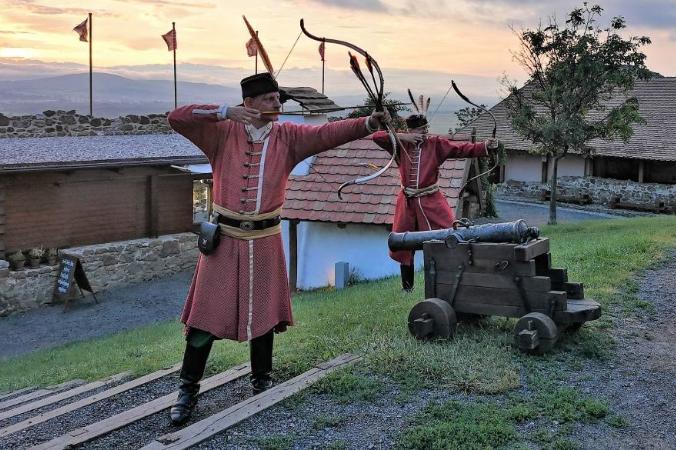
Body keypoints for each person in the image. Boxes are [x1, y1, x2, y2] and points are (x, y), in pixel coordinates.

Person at [166, 72, 389, 425]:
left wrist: (366, 123)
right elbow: (176, 117)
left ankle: (261, 379)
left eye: (278, 99)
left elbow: (326, 133)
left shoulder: (289, 135)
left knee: (265, 315)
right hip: (225, 239)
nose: (278, 105)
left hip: (265, 238)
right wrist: (225, 111)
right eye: (270, 99)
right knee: (204, 319)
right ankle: (187, 390)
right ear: (249, 103)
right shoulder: (221, 131)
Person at [372, 98, 498, 291]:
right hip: (406, 202)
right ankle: (407, 288)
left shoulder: (435, 144)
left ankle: (451, 282)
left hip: (432, 200)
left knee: (450, 236)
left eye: (425, 129)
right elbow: (377, 137)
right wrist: (402, 138)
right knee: (404, 246)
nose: (424, 133)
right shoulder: (400, 145)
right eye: (420, 130)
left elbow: (461, 149)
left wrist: (484, 146)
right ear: (410, 132)